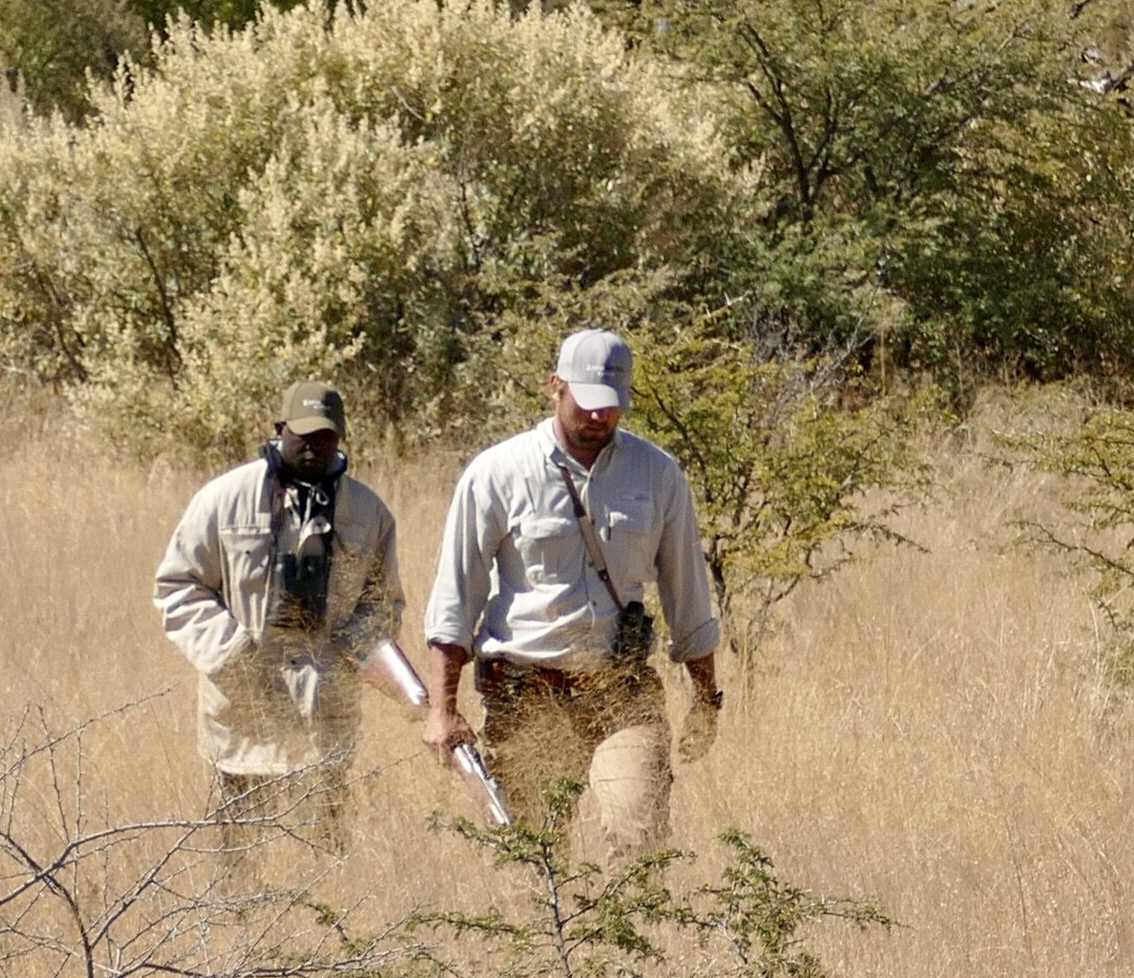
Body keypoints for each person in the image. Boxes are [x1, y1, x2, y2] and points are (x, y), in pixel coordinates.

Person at [419, 326, 724, 860]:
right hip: (525, 692)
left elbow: (689, 598)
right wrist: (442, 709)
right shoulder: (495, 473)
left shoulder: (658, 475)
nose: (598, 417)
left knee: (639, 838)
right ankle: (553, 945)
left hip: (620, 691)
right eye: (586, 403)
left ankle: (630, 942)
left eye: (611, 406)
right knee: (533, 859)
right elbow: (454, 601)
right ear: (555, 386)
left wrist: (706, 700)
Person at [153, 381, 401, 830]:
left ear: (341, 437)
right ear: (279, 429)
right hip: (243, 712)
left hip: (325, 715)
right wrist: (232, 654)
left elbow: (383, 605)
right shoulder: (223, 500)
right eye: (302, 435)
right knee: (239, 863)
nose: (313, 446)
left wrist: (345, 661)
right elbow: (178, 586)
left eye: (325, 436)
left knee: (324, 858)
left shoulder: (368, 513)